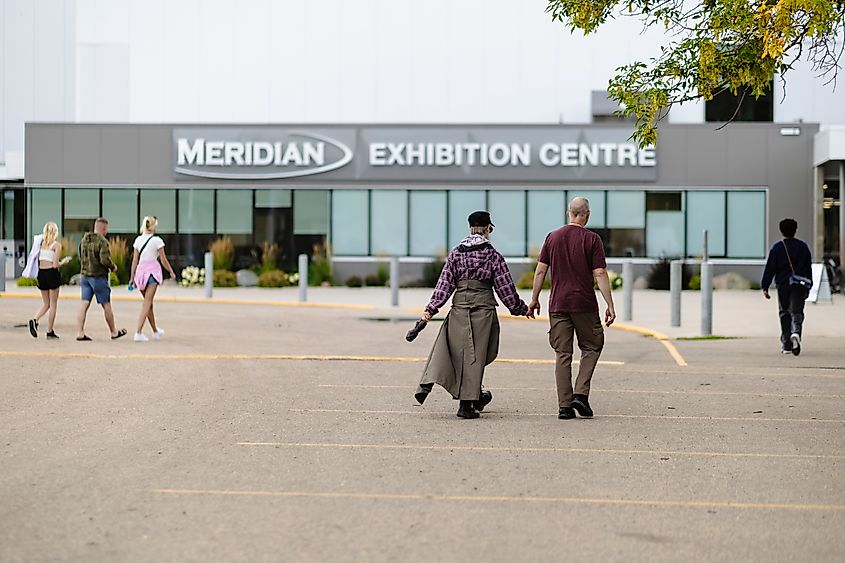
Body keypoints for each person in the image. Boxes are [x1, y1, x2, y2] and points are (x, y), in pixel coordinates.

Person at [414, 211, 529, 419]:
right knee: (476, 356)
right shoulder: (492, 254)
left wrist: (429, 310)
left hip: (459, 309)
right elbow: (505, 288)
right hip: (483, 310)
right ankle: (467, 404)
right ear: (488, 229)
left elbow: (444, 285)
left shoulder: (456, 253)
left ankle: (474, 397)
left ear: (469, 228)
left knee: (464, 355)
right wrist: (520, 308)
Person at [528, 197, 616, 420]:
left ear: (569, 213)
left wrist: (534, 299)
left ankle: (564, 407)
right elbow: (600, 273)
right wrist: (610, 304)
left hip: (558, 304)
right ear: (586, 214)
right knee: (592, 345)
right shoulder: (592, 239)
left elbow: (540, 271)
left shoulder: (552, 237)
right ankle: (581, 395)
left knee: (563, 354)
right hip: (584, 303)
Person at [761, 218, 813, 356]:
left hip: (783, 284)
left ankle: (787, 345)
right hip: (799, 285)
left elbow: (770, 268)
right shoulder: (803, 247)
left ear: (781, 231)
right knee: (797, 311)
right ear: (795, 230)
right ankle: (796, 332)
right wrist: (809, 286)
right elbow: (808, 268)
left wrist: (765, 286)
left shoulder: (777, 248)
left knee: (784, 312)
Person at [75, 217, 127, 341]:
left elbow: (80, 256)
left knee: (84, 304)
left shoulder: (84, 240)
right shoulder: (102, 241)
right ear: (104, 228)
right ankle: (114, 332)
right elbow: (104, 260)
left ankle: (80, 333)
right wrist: (113, 267)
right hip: (98, 277)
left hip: (85, 276)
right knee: (106, 305)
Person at [130, 216, 176, 342]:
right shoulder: (157, 241)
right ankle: (138, 332)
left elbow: (135, 260)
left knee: (148, 304)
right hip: (152, 273)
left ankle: (155, 331)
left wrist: (131, 277)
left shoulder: (138, 240)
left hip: (140, 273)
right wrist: (171, 271)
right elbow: (163, 260)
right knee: (147, 303)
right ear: (153, 227)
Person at [25, 222, 70, 339]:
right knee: (53, 304)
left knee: (46, 303)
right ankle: (50, 331)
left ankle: (35, 319)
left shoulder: (40, 244)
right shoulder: (56, 245)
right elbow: (55, 264)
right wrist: (64, 262)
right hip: (51, 273)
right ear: (55, 232)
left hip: (41, 274)